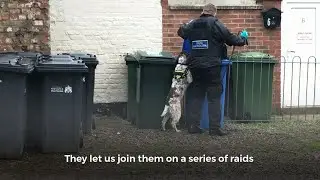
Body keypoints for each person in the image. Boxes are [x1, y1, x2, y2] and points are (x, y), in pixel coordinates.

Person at [177, 3, 248, 136]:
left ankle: (193, 126)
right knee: (214, 97)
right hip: (212, 67)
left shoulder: (193, 24)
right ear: (214, 13)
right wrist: (243, 39)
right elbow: (230, 38)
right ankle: (214, 129)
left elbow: (181, 32)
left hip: (195, 66)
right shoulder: (216, 24)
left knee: (196, 95)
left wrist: (186, 26)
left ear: (203, 12)